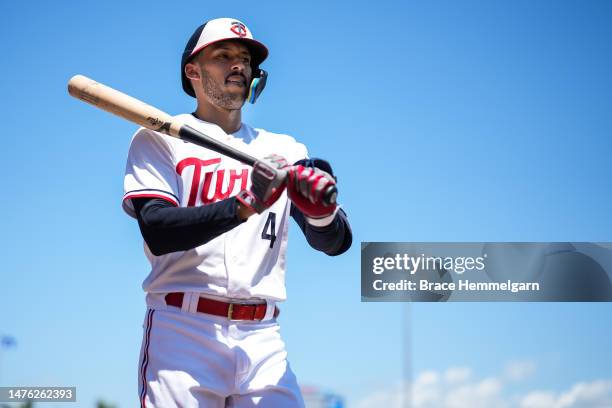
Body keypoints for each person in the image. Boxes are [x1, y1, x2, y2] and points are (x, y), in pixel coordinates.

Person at [122, 17, 352, 408]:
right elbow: (158, 230)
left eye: (245, 59)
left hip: (263, 334)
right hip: (183, 329)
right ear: (192, 71)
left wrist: (322, 215)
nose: (238, 65)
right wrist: (243, 204)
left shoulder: (285, 149)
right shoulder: (159, 137)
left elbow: (335, 243)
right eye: (223, 55)